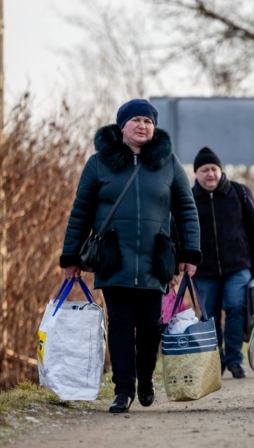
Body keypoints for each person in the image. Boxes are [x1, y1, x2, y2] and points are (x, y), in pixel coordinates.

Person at [60, 99, 201, 413]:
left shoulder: (169, 163)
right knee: (121, 323)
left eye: (148, 121)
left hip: (155, 260)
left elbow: (186, 210)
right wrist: (71, 256)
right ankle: (123, 390)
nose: (142, 126)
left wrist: (189, 252)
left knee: (150, 325)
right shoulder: (99, 163)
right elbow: (80, 212)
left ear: (154, 127)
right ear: (121, 125)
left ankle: (146, 379)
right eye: (136, 120)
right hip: (113, 258)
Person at [176, 146, 254, 379]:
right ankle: (215, 361)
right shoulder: (187, 198)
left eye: (214, 169)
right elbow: (178, 234)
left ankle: (234, 359)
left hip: (238, 265)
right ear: (196, 173)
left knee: (236, 307)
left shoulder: (239, 192)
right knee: (209, 316)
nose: (210, 174)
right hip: (203, 269)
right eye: (205, 170)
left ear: (221, 170)